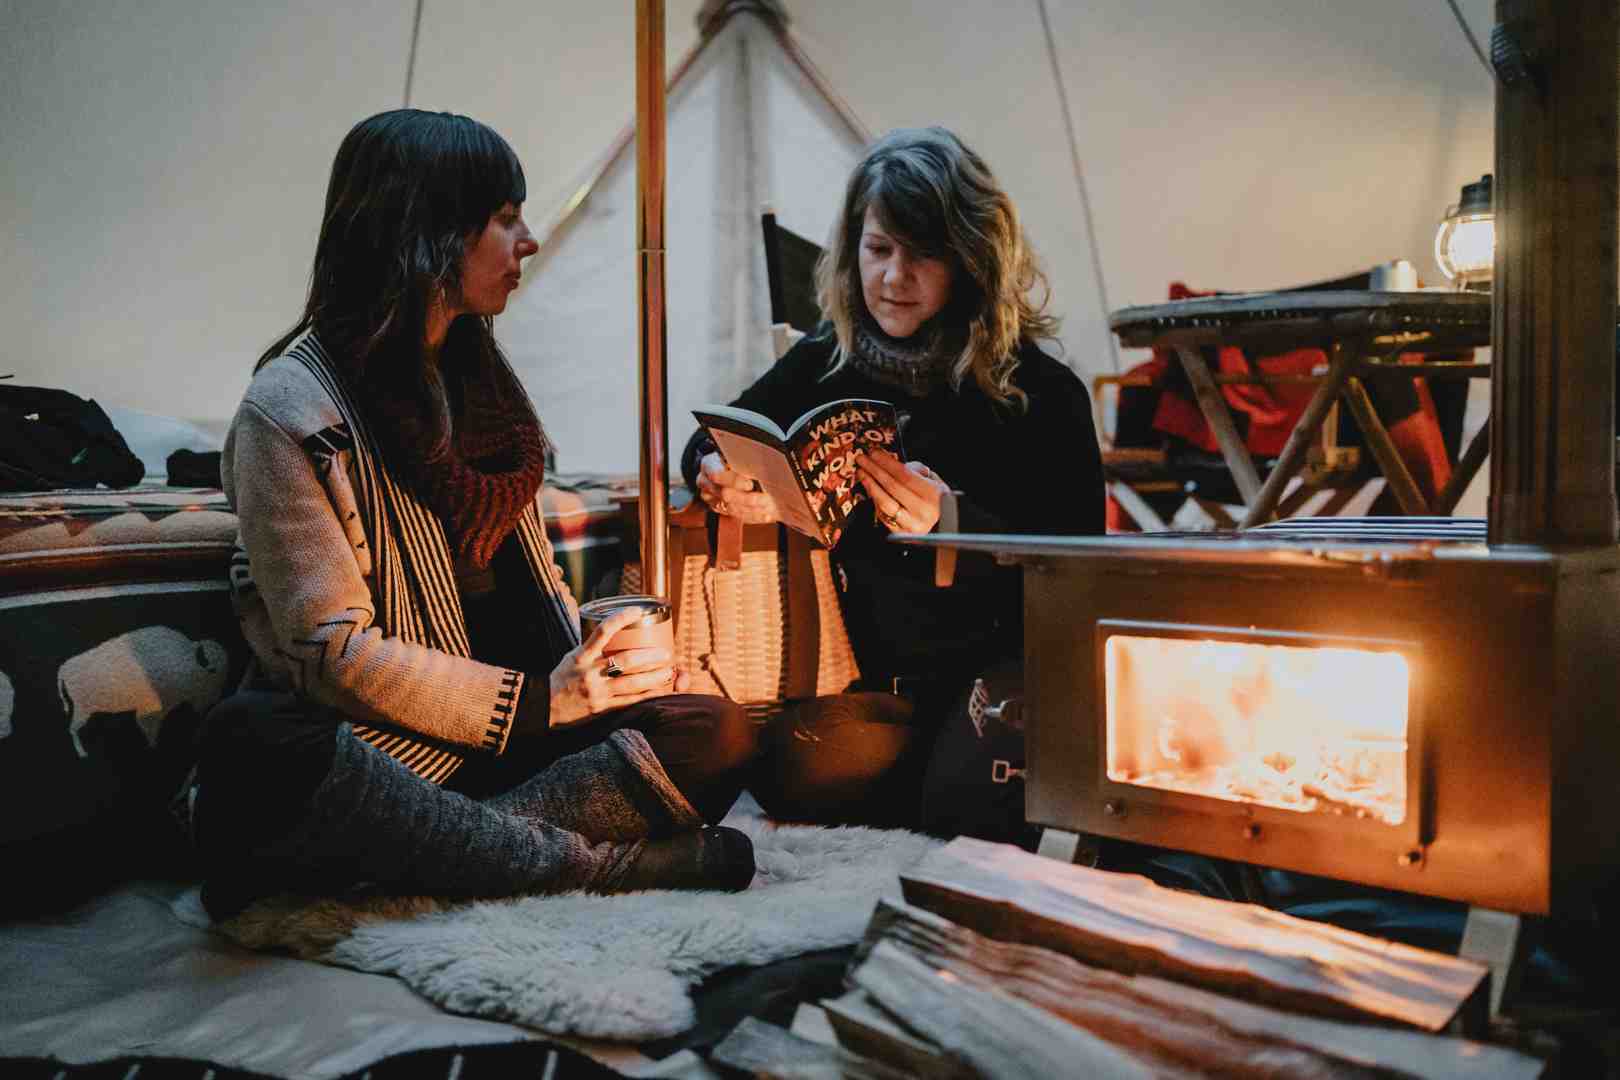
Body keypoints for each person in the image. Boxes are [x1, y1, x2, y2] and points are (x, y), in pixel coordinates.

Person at [192, 109, 757, 922]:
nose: (528, 240)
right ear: (425, 232)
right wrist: (542, 703)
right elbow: (333, 656)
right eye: (504, 218)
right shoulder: (290, 411)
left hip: (516, 752)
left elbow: (535, 599)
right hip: (387, 754)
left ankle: (443, 856)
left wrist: (604, 662)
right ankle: (597, 869)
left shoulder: (480, 381)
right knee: (254, 740)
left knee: (716, 730)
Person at [681, 127, 1104, 830]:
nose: (892, 278)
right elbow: (720, 431)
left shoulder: (1043, 393)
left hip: (1000, 672)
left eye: (923, 255)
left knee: (959, 802)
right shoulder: (829, 358)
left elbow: (1083, 576)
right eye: (878, 250)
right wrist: (720, 471)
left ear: (971, 261)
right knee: (798, 768)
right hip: (871, 687)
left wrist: (954, 525)